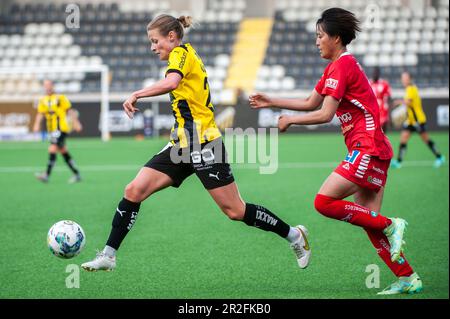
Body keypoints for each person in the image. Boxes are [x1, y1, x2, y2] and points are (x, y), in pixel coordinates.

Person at [81, 15, 311, 272]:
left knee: (235, 210)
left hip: (204, 144)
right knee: (133, 190)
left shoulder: (180, 52)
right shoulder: (181, 55)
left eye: (155, 41)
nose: (152, 47)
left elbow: (172, 82)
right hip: (180, 145)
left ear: (171, 36)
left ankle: (294, 235)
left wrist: (137, 93)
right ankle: (109, 256)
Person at [249, 8, 422, 295]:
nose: (317, 41)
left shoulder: (343, 65)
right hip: (374, 148)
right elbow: (309, 102)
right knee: (369, 222)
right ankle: (407, 277)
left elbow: (325, 113)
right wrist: (271, 101)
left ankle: (392, 224)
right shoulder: (335, 67)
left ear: (336, 38)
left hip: (366, 146)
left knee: (323, 202)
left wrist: (290, 120)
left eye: (320, 36)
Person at [390, 71, 445, 169]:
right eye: (403, 78)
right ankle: (398, 162)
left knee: (426, 140)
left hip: (418, 120)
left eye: (405, 78)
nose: (403, 80)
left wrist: (398, 102)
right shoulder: (408, 89)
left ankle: (440, 157)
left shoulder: (411, 88)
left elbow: (408, 102)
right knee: (403, 138)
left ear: (409, 79)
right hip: (411, 121)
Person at [32, 80, 82, 183]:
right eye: (45, 85)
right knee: (63, 151)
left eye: (49, 85)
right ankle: (76, 174)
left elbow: (70, 111)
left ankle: (46, 175)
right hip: (51, 130)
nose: (47, 87)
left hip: (61, 128)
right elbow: (40, 113)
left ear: (53, 86)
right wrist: (36, 124)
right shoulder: (43, 100)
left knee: (52, 148)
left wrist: (76, 123)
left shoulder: (60, 98)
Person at [370, 67, 392, 133]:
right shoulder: (368, 83)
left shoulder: (384, 84)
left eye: (377, 73)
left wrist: (389, 114)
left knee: (382, 133)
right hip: (372, 111)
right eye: (374, 73)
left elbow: (388, 98)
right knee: (373, 133)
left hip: (383, 111)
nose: (375, 74)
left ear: (379, 74)